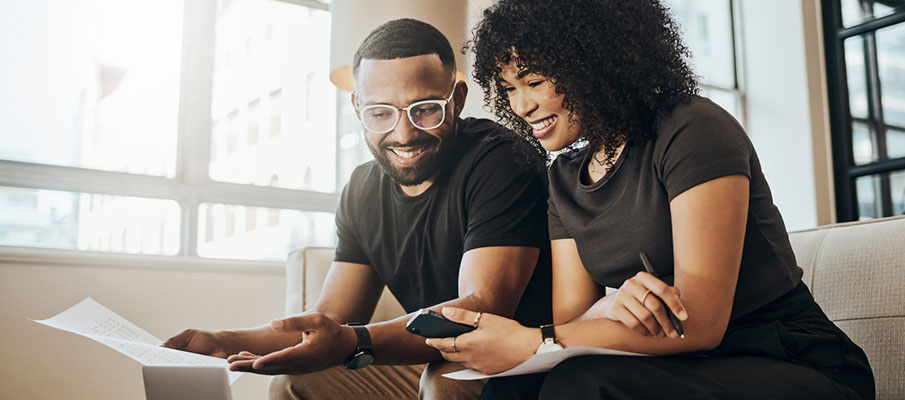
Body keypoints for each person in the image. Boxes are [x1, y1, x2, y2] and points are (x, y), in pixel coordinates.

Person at [423, 1, 875, 399]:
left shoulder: (691, 129)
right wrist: (605, 307)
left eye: (534, 81)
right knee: (514, 389)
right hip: (683, 365)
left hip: (790, 359)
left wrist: (528, 340)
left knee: (580, 385)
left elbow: (701, 322)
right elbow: (574, 323)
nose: (521, 105)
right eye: (508, 89)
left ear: (591, 61)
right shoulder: (563, 180)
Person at [163, 18, 551, 399]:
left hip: (524, 360)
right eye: (380, 113)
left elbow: (478, 312)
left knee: (444, 380)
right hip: (438, 355)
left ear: (458, 100)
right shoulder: (363, 189)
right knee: (295, 383)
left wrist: (353, 341)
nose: (403, 134)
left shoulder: (501, 161)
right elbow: (330, 318)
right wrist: (222, 341)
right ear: (357, 106)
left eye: (425, 109)